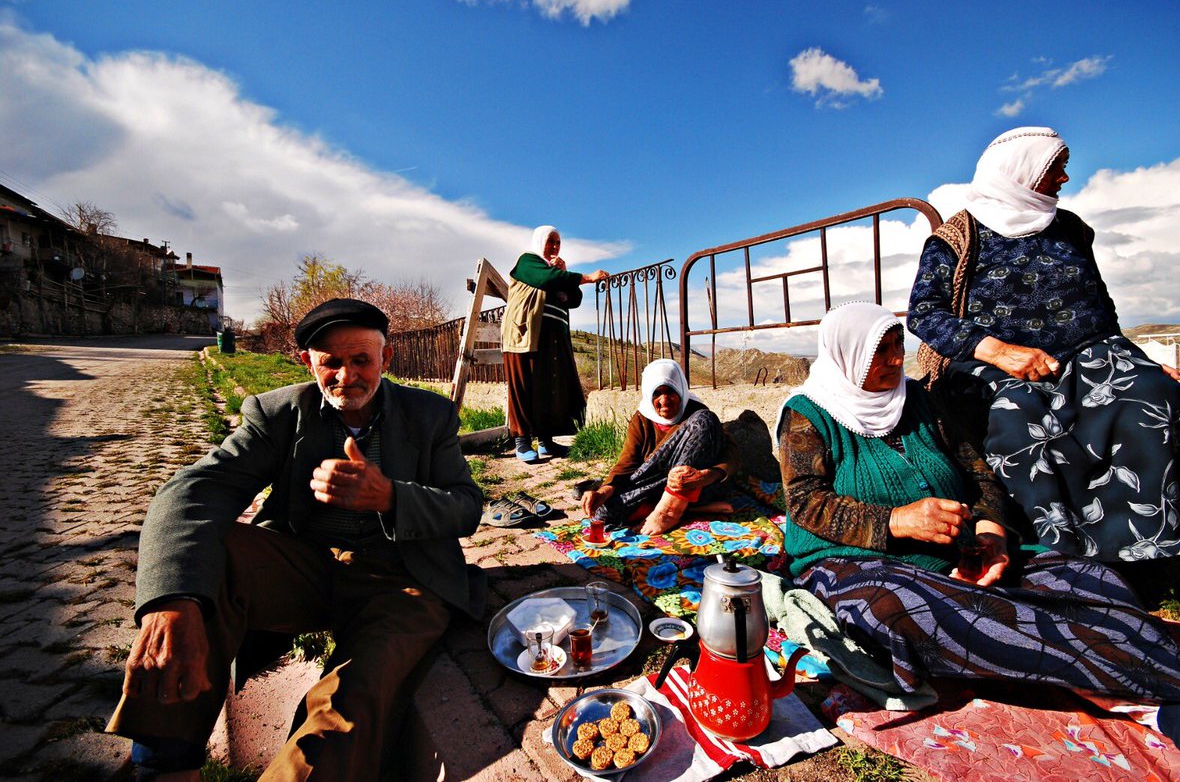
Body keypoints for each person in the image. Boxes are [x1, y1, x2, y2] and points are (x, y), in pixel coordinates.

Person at [106, 299, 485, 781]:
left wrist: (390, 496)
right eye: (331, 361)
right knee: (204, 562)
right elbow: (194, 492)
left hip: (403, 581)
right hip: (308, 570)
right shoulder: (278, 413)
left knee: (352, 699)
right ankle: (165, 765)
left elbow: (467, 506)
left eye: (361, 360)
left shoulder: (429, 415)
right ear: (309, 362)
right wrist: (171, 602)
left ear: (385, 361)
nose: (346, 376)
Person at [778, 302, 1180, 733]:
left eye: (896, 345)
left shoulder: (918, 399)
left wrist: (990, 534)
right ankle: (1148, 690)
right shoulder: (808, 414)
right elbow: (806, 503)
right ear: (845, 355)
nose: (895, 359)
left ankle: (1137, 666)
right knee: (907, 612)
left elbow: (978, 472)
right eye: (878, 352)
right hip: (854, 562)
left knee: (1085, 577)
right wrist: (897, 521)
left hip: (954, 547)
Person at [908, 126, 1180, 566]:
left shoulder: (1071, 230)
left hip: (1085, 354)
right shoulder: (957, 236)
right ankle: (1059, 555)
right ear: (1019, 172)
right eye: (1055, 169)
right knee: (1017, 409)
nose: (1064, 179)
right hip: (988, 361)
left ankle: (1151, 547)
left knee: (1151, 396)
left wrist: (1139, 363)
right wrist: (1000, 351)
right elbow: (924, 314)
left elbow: (1101, 311)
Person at [582, 359, 738, 536]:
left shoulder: (697, 416)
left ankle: (669, 511)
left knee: (705, 419)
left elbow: (731, 454)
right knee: (603, 513)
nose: (664, 401)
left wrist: (706, 476)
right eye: (657, 393)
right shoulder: (642, 419)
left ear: (680, 389)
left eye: (670, 391)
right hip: (656, 487)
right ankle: (692, 510)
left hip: (698, 487)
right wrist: (603, 491)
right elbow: (628, 463)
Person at [501, 225, 608, 463]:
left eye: (558, 242)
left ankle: (546, 442)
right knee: (524, 387)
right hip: (525, 336)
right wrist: (587, 277)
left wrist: (567, 273)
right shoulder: (528, 262)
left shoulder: (556, 273)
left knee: (548, 389)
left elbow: (575, 300)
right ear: (540, 242)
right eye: (551, 241)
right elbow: (545, 279)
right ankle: (522, 441)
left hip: (552, 339)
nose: (555, 247)